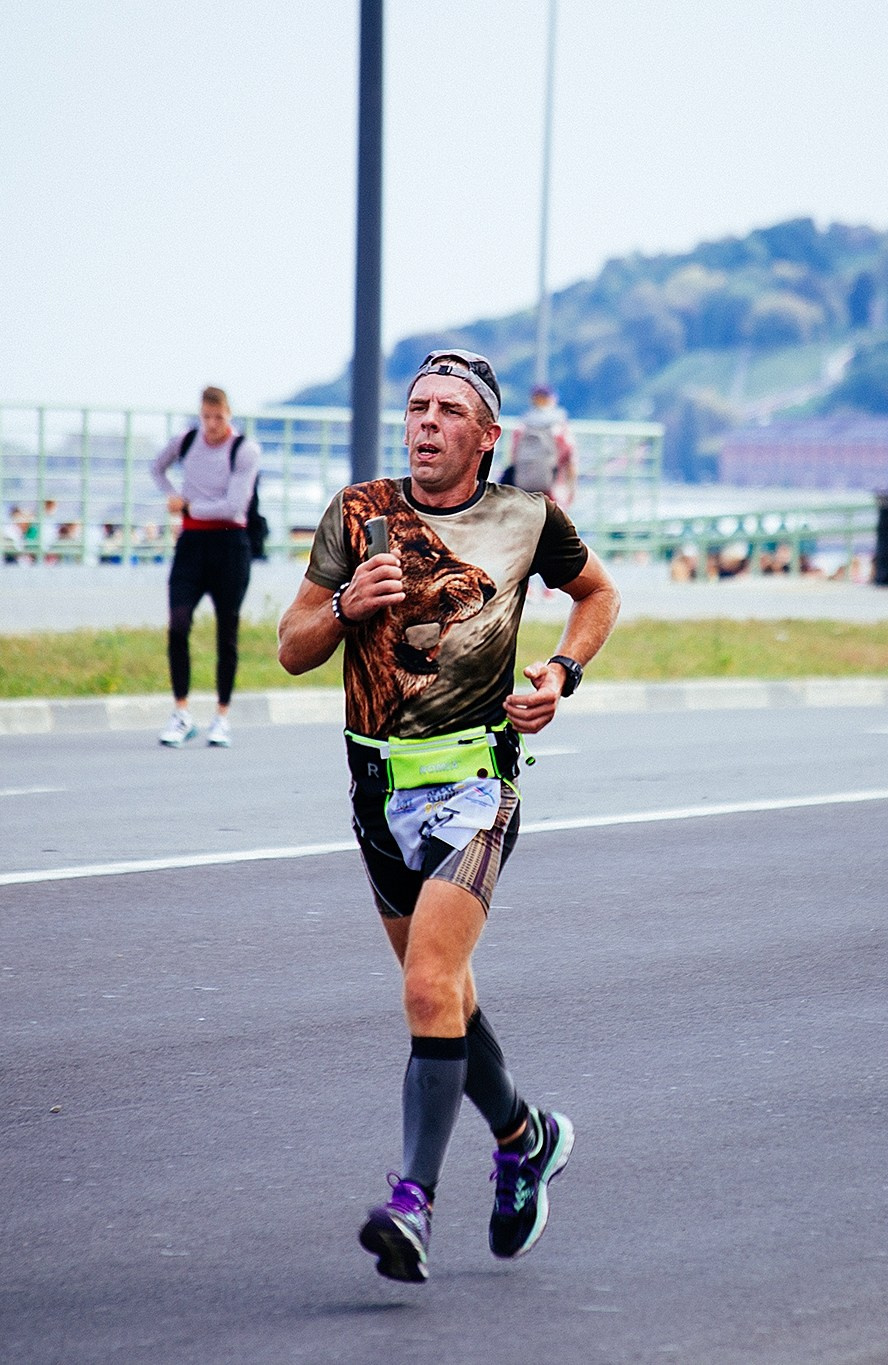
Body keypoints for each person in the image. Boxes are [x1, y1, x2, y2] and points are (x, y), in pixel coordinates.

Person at [277, 348, 620, 1283]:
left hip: (475, 782)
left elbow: (598, 594)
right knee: (449, 996)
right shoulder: (358, 513)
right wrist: (346, 605)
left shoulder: (525, 518)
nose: (424, 422)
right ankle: (525, 1136)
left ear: (486, 435)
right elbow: (291, 646)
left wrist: (559, 673)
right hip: (375, 788)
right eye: (417, 406)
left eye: (446, 411)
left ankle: (413, 1202)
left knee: (429, 984)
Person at [150, 387, 262, 748]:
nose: (212, 425)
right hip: (191, 545)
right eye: (206, 417)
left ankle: (222, 716)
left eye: (219, 418)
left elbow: (233, 505)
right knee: (178, 623)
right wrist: (172, 494)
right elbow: (156, 466)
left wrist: (190, 506)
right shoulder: (186, 441)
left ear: (229, 415)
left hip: (231, 545)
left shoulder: (244, 450)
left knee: (226, 631)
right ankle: (181, 712)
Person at [501, 384, 578, 507]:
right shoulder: (560, 428)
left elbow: (513, 459)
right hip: (553, 489)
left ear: (533, 400)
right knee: (553, 522)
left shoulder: (522, 426)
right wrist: (571, 491)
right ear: (553, 399)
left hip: (524, 489)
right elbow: (570, 462)